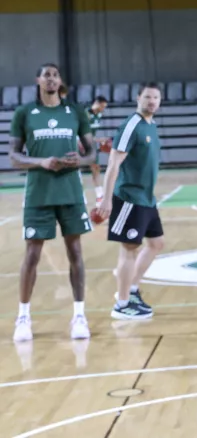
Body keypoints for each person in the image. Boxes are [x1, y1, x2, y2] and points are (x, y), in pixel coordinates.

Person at [10, 63, 96, 341]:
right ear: (38, 80)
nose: (50, 79)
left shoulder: (75, 112)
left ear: (60, 81)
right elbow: (13, 156)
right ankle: (23, 317)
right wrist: (41, 161)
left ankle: (79, 316)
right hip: (38, 192)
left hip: (70, 191)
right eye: (46, 75)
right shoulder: (24, 114)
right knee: (32, 255)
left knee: (75, 253)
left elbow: (92, 153)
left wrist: (79, 160)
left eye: (55, 75)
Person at [96, 82, 165, 320]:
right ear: (138, 98)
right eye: (148, 97)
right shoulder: (131, 125)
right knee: (129, 250)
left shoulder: (151, 125)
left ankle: (132, 289)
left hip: (146, 198)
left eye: (156, 98)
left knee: (156, 244)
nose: (152, 101)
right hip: (129, 198)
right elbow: (113, 164)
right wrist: (106, 199)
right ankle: (122, 304)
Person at [81, 95, 110, 206]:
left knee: (96, 168)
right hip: (79, 143)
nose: (103, 109)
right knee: (74, 170)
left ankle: (99, 195)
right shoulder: (84, 114)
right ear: (97, 103)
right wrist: (100, 140)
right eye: (102, 106)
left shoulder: (99, 115)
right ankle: (79, 196)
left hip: (91, 144)